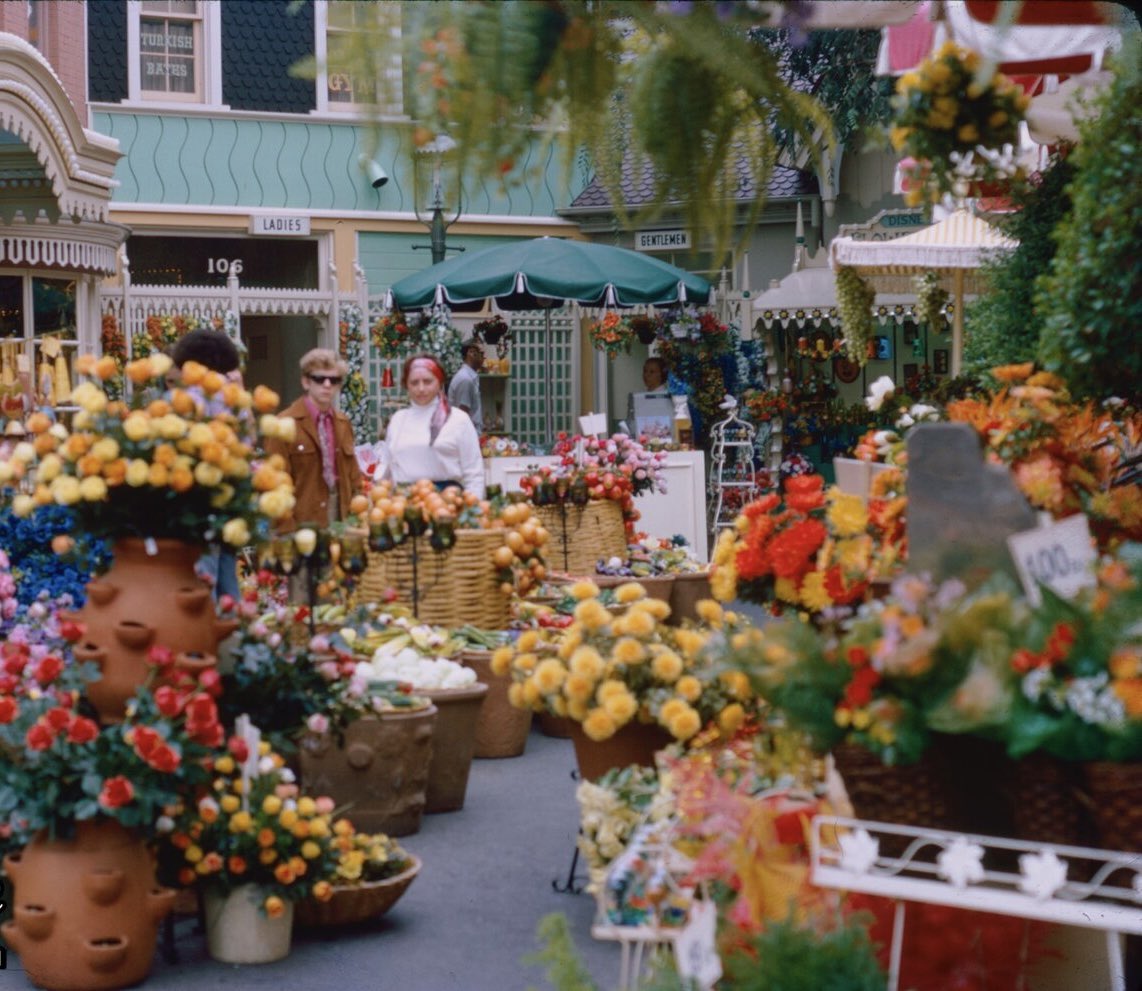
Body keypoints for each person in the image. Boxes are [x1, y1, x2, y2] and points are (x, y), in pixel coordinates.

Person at [169, 328, 244, 601]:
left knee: (203, 577)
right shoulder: (234, 398)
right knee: (227, 577)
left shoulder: (190, 399)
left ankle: (204, 638)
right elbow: (246, 442)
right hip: (230, 496)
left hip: (198, 498)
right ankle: (233, 634)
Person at [265, 347, 362, 528]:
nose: (327, 385)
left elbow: (354, 476)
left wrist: (358, 516)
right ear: (306, 382)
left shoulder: (343, 423)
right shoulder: (283, 424)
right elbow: (274, 484)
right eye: (319, 379)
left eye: (333, 380)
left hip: (341, 517)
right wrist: (287, 530)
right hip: (302, 519)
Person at [385, 353, 485, 497]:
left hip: (447, 504)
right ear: (406, 384)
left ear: (439, 382)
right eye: (414, 382)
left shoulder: (458, 420)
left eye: (427, 381)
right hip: (404, 504)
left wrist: (471, 511)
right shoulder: (398, 420)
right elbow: (387, 469)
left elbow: (474, 474)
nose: (421, 388)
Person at [447, 340, 484, 432]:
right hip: (466, 436)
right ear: (471, 353)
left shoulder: (469, 377)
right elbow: (462, 415)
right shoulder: (465, 379)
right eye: (481, 354)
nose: (484, 357)